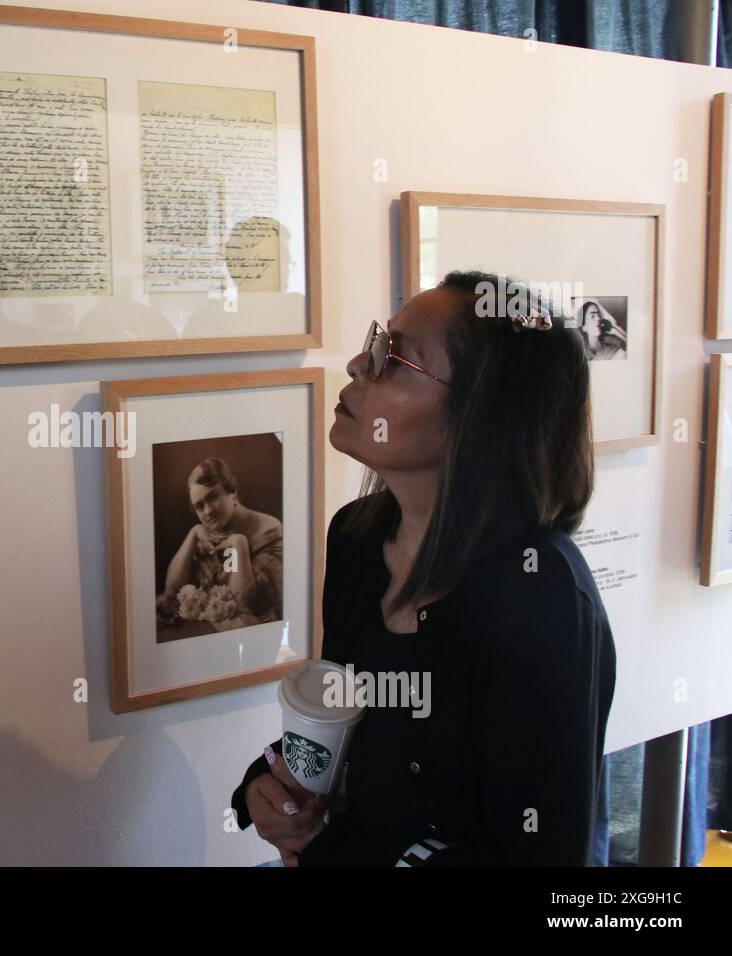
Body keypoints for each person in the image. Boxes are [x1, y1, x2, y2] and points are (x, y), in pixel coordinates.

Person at [231, 271, 616, 866]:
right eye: (377, 341)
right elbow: (342, 720)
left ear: (480, 415)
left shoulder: (539, 594)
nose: (361, 364)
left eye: (395, 358)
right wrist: (273, 783)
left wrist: (330, 852)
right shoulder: (358, 535)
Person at [161, 458, 283, 627]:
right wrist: (193, 534)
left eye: (213, 497)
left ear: (232, 493)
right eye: (199, 506)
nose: (208, 511)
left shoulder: (269, 532)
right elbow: (172, 591)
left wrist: (239, 543)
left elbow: (246, 604)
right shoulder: (209, 534)